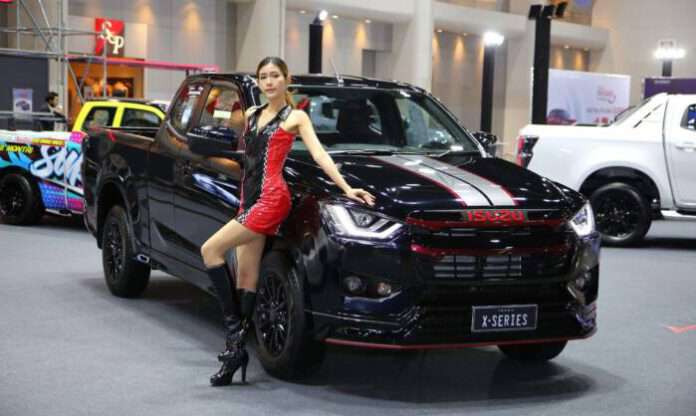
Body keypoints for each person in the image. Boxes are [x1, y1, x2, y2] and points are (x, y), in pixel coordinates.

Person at [200, 56, 375, 387]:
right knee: (247, 277)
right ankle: (236, 353)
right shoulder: (251, 115)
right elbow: (237, 146)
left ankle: (234, 335)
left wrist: (346, 188)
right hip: (248, 198)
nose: (269, 82)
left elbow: (320, 154)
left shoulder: (295, 117)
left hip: (271, 199)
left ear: (286, 79)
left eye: (274, 76)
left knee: (210, 250)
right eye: (263, 77)